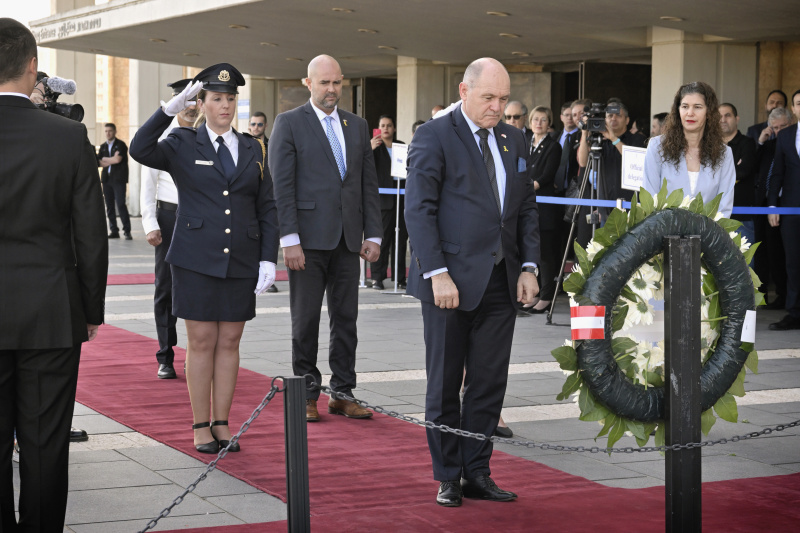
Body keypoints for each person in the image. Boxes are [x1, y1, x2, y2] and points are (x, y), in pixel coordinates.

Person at [405, 58, 540, 507]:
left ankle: (476, 471)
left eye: (503, 99)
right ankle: (447, 475)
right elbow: (419, 210)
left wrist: (529, 267)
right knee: (444, 382)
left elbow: (525, 209)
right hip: (449, 284)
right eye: (489, 98)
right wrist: (437, 273)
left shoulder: (515, 138)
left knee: (487, 383)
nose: (497, 107)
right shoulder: (434, 135)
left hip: (501, 281)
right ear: (465, 90)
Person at [129, 63, 280, 453]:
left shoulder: (253, 147)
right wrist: (168, 111)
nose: (225, 106)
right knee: (201, 341)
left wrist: (268, 258)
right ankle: (200, 425)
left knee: (229, 340)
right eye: (217, 98)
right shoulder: (182, 142)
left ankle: (223, 424)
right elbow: (140, 148)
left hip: (241, 257)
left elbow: (267, 206)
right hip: (195, 257)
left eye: (231, 99)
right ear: (202, 102)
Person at [0, 18, 108, 530]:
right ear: (32, 68)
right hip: (49, 311)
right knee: (45, 446)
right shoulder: (68, 137)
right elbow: (90, 234)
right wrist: (90, 310)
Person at [268, 55, 382, 422]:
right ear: (309, 83)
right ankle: (306, 393)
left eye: (336, 83)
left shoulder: (358, 125)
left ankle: (343, 392)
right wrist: (289, 239)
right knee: (305, 321)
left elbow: (367, 183)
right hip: (307, 242)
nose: (331, 90)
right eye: (324, 83)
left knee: (346, 319)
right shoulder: (288, 123)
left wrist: (374, 234)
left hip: (348, 241)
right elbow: (281, 187)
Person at [140, 78, 198, 379]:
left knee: (198, 288)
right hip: (169, 219)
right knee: (166, 289)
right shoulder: (161, 140)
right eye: (184, 102)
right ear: (175, 105)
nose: (190, 108)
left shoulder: (206, 139)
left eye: (195, 101)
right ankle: (165, 355)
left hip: (199, 222)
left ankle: (197, 355)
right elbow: (147, 188)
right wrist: (150, 224)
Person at [642, 81, 735, 218]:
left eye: (697, 107)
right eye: (685, 106)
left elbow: (724, 208)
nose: (690, 113)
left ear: (709, 112)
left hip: (708, 237)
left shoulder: (724, 154)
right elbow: (649, 201)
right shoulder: (656, 147)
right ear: (678, 110)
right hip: (662, 234)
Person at [519, 106, 562, 316]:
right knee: (530, 251)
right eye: (535, 119)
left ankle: (546, 296)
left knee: (545, 253)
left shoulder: (553, 146)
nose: (538, 123)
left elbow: (547, 175)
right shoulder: (525, 142)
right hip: (526, 202)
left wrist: (528, 187)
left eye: (543, 120)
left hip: (543, 204)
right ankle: (532, 293)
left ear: (549, 123)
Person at [767, 89, 800, 331]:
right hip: (790, 208)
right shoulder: (786, 135)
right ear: (794, 108)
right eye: (799, 103)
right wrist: (772, 206)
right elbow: (777, 173)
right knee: (793, 262)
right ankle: (795, 312)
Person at [754, 106, 792, 311]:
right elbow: (754, 167)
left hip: (783, 205)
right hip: (762, 205)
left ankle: (784, 295)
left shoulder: (791, 144)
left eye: (782, 127)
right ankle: (764, 296)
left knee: (781, 254)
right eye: (774, 127)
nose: (778, 132)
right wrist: (761, 141)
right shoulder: (768, 145)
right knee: (763, 252)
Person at [369, 115, 407, 290]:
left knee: (399, 241)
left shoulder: (401, 146)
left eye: (389, 125)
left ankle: (399, 278)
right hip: (382, 201)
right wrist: (369, 148)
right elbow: (363, 166)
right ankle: (377, 278)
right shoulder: (375, 147)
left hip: (401, 199)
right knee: (382, 241)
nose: (385, 129)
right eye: (382, 125)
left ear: (394, 128)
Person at [247, 111, 279, 294]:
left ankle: (269, 277)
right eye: (253, 124)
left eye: (259, 124)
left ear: (265, 126)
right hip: (251, 199)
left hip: (270, 196)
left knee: (269, 234)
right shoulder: (242, 144)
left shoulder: (272, 146)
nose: (256, 128)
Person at [719, 102, 758, 243]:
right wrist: (733, 171)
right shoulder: (711, 147)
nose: (723, 120)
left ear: (737, 119)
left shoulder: (747, 143)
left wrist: (719, 176)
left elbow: (743, 171)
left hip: (741, 215)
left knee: (744, 261)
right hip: (716, 215)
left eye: (727, 115)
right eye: (719, 116)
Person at [98, 122, 132, 239]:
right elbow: (99, 162)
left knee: (121, 204)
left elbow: (117, 160)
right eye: (106, 131)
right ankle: (114, 231)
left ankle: (127, 231)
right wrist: (111, 159)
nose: (108, 133)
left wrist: (106, 159)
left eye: (110, 131)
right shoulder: (102, 147)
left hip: (118, 180)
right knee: (109, 206)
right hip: (106, 180)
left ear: (115, 131)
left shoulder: (121, 145)